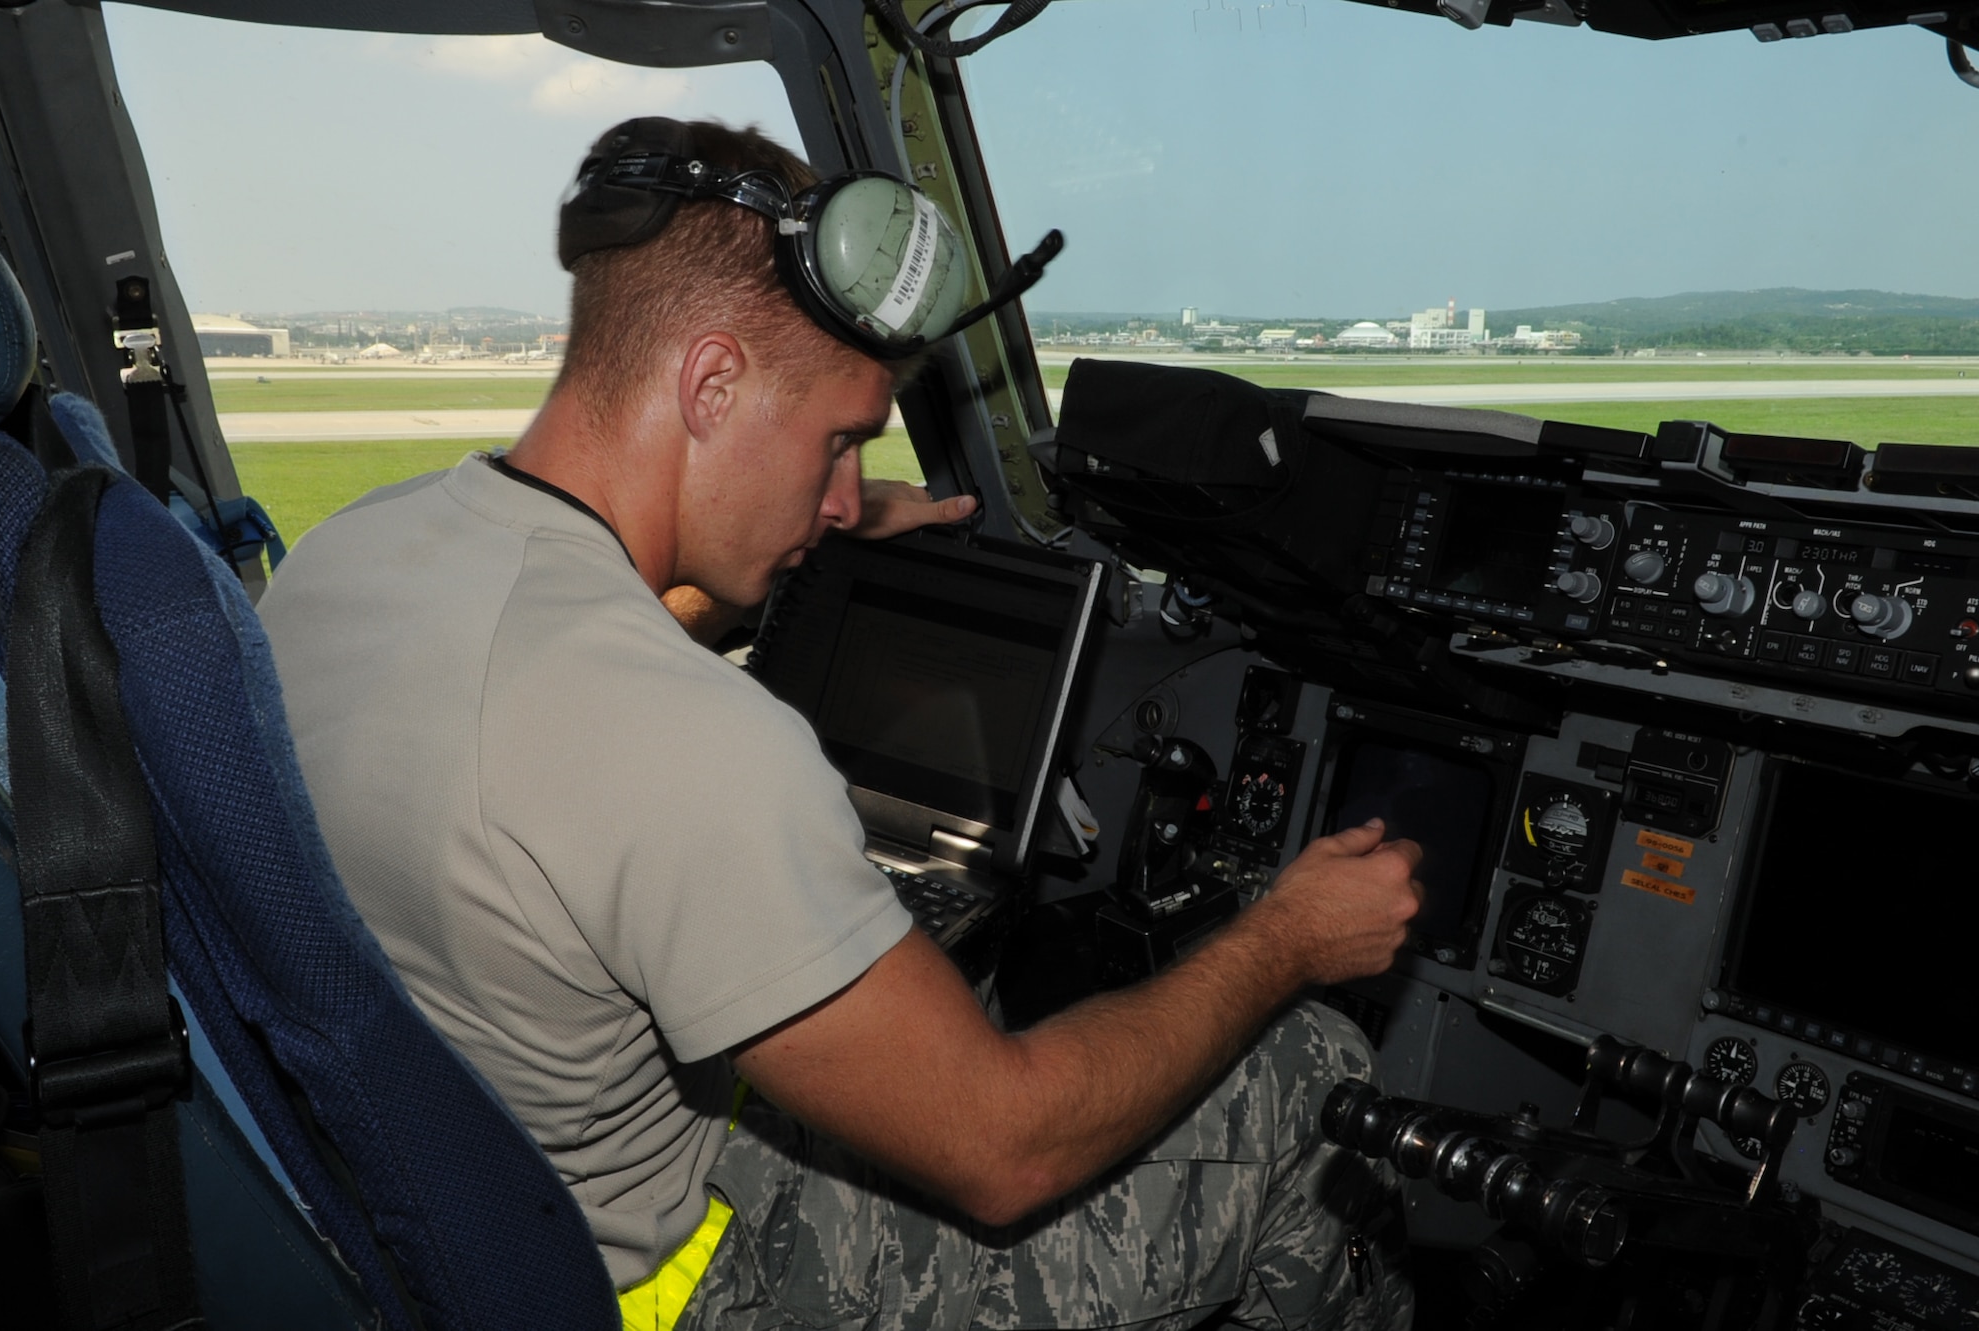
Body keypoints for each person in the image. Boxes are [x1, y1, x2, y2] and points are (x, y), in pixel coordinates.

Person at [258, 117, 1424, 1331]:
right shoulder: (686, 741)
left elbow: (548, 673)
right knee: (1312, 1064)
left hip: (451, 1200)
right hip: (667, 1283)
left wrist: (789, 543)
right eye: (837, 443)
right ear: (710, 383)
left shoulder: (356, 553)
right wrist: (1285, 936)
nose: (841, 493)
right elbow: (1004, 1144)